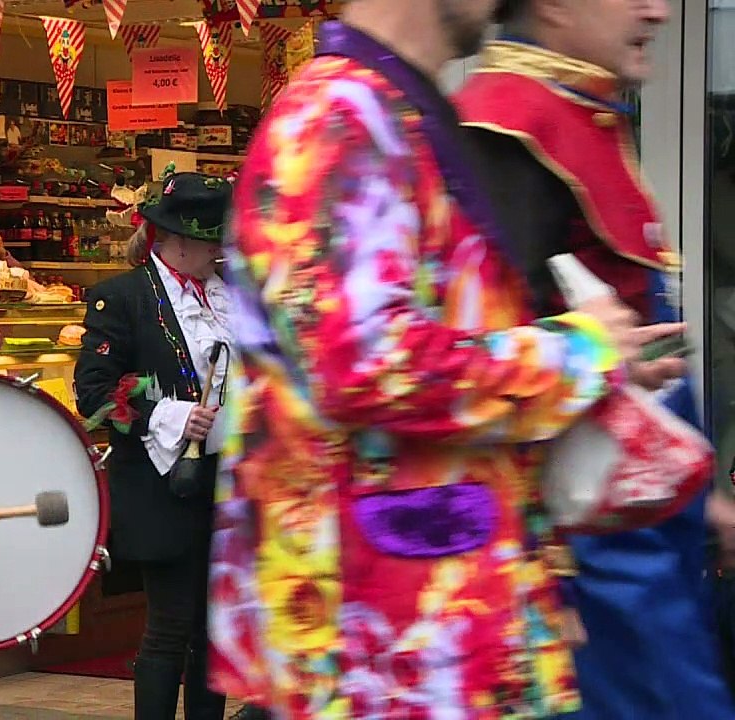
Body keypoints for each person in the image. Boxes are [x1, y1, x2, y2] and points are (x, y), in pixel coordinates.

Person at [206, 3, 691, 718]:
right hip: (381, 646)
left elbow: (401, 351)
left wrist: (596, 362)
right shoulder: (341, 113)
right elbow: (367, 364)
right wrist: (579, 351)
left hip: (420, 636)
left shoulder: (384, 110)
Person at [456, 1, 735, 716]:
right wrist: (538, 574)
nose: (658, 11)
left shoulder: (577, 110)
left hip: (636, 529)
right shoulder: (505, 126)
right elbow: (481, 363)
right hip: (586, 557)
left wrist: (698, 499)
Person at [76, 172, 233, 720]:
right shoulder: (122, 298)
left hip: (227, 484)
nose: (220, 250)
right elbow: (94, 395)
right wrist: (171, 415)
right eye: (211, 240)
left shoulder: (228, 296)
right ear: (175, 239)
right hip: (162, 486)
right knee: (170, 628)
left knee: (214, 631)